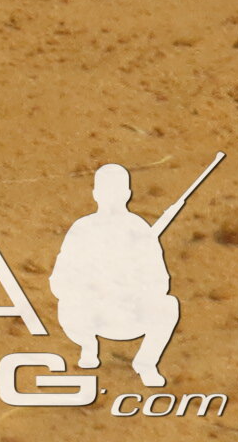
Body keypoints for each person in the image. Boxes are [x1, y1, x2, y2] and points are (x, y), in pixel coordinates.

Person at [52, 164, 183, 388]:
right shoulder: (82, 229)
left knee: (168, 305)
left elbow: (160, 281)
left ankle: (146, 363)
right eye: (106, 192)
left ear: (127, 194)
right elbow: (59, 280)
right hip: (91, 315)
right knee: (68, 304)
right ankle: (88, 346)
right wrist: (93, 287)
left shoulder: (139, 231)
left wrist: (130, 286)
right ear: (96, 194)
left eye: (116, 192)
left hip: (129, 314)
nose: (111, 198)